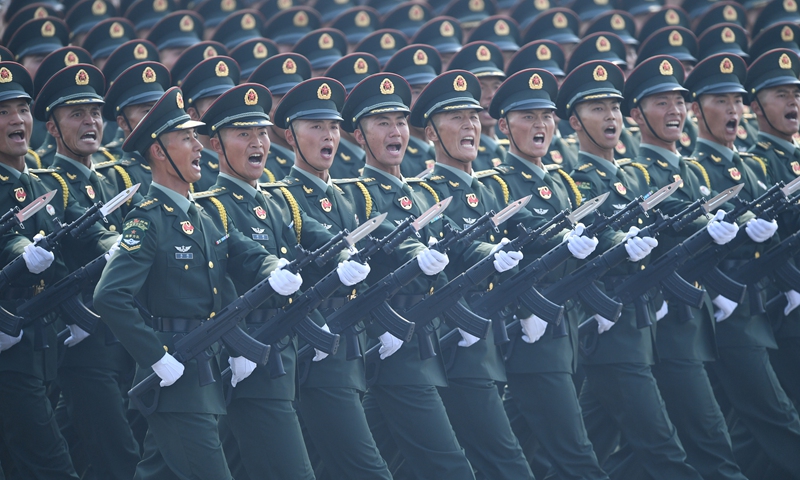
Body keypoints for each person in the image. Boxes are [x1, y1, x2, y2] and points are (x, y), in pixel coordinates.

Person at [92, 86, 301, 480]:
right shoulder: (147, 219)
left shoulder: (202, 217)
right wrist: (155, 357)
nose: (198, 147)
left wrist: (275, 268)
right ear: (159, 151)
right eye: (186, 138)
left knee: (158, 471)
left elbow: (243, 254)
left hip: (202, 375)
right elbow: (110, 296)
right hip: (174, 376)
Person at [194, 81, 370, 479]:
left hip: (282, 357)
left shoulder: (279, 202)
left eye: (260, 132)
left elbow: (322, 237)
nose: (257, 143)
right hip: (247, 353)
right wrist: (274, 268)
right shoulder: (212, 207)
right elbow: (242, 253)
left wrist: (348, 256)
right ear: (216, 145)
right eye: (243, 134)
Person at [555, 59, 700, 480]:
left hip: (640, 328)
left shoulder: (633, 179)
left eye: (615, 108)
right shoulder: (578, 182)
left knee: (591, 452)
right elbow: (593, 237)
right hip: (611, 331)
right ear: (575, 122)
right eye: (597, 108)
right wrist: (624, 241)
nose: (611, 117)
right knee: (665, 451)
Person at [340, 72, 475, 479]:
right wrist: (422, 254)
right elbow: (394, 240)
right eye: (382, 123)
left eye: (400, 121)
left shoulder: (422, 194)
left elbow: (458, 243)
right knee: (450, 466)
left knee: (375, 462)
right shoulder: (358, 194)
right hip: (396, 349)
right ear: (359, 137)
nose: (395, 131)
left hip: (424, 343)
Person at [622, 54, 748, 480]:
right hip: (667, 325)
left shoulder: (693, 170)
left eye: (678, 101)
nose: (674, 110)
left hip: (697, 321)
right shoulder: (638, 175)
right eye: (661, 103)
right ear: (637, 115)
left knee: (637, 450)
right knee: (708, 442)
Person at [409, 69, 533, 480]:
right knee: (505, 462)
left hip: (488, 342)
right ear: (431, 132)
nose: (469, 126)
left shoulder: (490, 189)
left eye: (473, 116)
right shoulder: (425, 193)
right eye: (456, 117)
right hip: (457, 346)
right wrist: (492, 252)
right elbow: (454, 245)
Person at [487, 67, 608, 480]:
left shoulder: (563, 183)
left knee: (521, 448)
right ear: (504, 126)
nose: (540, 125)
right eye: (528, 117)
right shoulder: (499, 186)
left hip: (565, 330)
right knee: (578, 456)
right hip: (532, 333)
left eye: (545, 116)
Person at [272, 77, 392, 479]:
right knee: (368, 469)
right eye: (316, 127)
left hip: (348, 349)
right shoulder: (284, 196)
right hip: (319, 354)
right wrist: (345, 255)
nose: (328, 136)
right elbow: (321, 237)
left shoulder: (344, 194)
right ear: (291, 137)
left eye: (333, 127)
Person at [33, 63, 141, 480]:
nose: (90, 122)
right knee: (118, 455)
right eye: (76, 114)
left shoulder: (113, 180)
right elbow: (95, 234)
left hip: (120, 337)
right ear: (52, 128)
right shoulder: (50, 184)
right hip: (84, 344)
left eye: (95, 112)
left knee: (77, 444)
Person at [0, 60, 79, 480]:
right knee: (52, 466)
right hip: (9, 345)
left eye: (22, 109)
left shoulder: (41, 184)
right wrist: (20, 251)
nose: (17, 120)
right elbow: (10, 240)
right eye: (3, 112)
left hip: (40, 343)